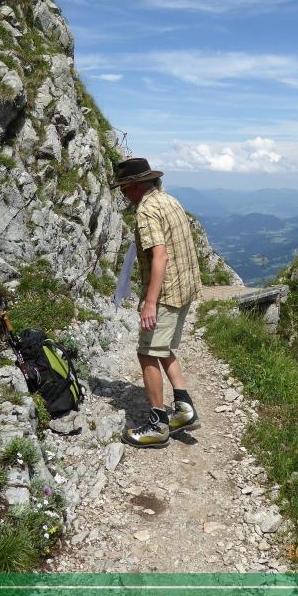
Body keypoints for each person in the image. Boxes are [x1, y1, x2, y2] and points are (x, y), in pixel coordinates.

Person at [110, 157, 202, 448]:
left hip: (166, 293)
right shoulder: (169, 201)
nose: (124, 196)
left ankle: (158, 424)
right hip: (185, 289)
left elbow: (160, 256)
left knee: (147, 352)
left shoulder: (147, 210)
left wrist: (150, 302)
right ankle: (184, 408)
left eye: (125, 189)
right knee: (161, 347)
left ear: (136, 186)